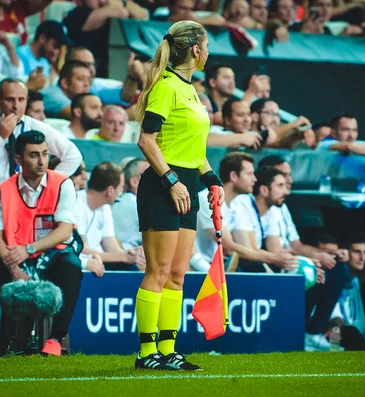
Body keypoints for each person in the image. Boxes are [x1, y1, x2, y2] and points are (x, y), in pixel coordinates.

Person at [133, 21, 223, 371]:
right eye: (208, 46)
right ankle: (146, 353)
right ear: (197, 50)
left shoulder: (192, 90)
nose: (209, 52)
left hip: (188, 184)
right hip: (163, 186)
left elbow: (195, 151)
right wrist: (172, 180)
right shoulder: (166, 86)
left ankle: (168, 350)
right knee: (157, 271)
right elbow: (146, 140)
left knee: (177, 275)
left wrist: (212, 180)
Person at [0, 131, 84, 359]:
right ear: (18, 160)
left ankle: (55, 339)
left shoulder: (62, 184)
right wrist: (13, 268)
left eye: (45, 154)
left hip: (49, 256)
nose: (42, 161)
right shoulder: (3, 189)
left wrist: (30, 249)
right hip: (14, 258)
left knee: (71, 265)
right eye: (34, 155)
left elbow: (64, 230)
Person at [0, 78, 82, 260]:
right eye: (10, 99)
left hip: (28, 214)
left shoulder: (37, 127)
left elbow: (73, 155)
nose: (16, 106)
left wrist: (50, 183)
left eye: (21, 100)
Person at [195, 153, 297, 272]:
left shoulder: (237, 204)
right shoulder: (207, 199)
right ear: (233, 176)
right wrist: (274, 258)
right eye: (249, 174)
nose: (254, 179)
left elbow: (247, 247)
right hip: (199, 268)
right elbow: (227, 247)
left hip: (221, 267)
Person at [75, 162, 145, 271]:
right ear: (110, 190)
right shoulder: (76, 203)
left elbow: (111, 247)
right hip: (80, 262)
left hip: (98, 260)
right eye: (121, 187)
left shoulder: (105, 207)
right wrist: (123, 257)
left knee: (131, 267)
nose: (121, 192)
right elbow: (81, 249)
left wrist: (130, 254)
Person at [113, 158, 150, 250]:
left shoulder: (113, 203)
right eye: (151, 175)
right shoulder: (138, 206)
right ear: (134, 181)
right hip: (132, 258)